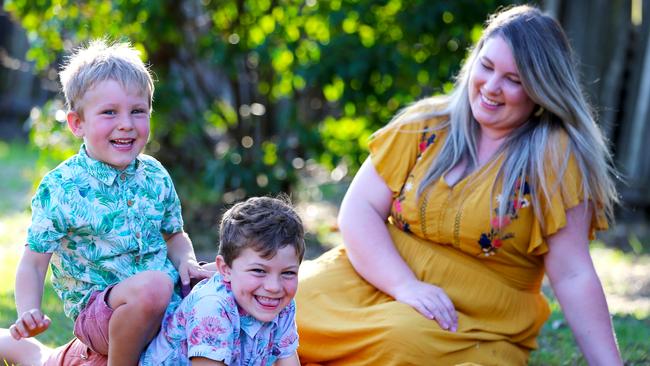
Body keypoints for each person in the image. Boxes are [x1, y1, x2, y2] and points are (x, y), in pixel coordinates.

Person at [295, 5, 623, 365]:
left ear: (541, 90)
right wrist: (405, 286)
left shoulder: (554, 157)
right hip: (376, 277)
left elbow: (573, 273)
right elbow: (359, 210)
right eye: (487, 66)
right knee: (288, 307)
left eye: (514, 80)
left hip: (470, 320)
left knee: (399, 341)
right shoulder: (425, 125)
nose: (492, 87)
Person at [3, 39, 212, 365]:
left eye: (137, 111)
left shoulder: (155, 175)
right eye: (109, 112)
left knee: (232, 280)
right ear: (77, 124)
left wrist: (187, 261)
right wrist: (29, 310)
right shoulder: (62, 187)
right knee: (154, 286)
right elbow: (33, 262)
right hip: (101, 314)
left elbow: (174, 236)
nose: (126, 123)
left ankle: (21, 349)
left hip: (164, 305)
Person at [1, 195, 304, 366]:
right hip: (116, 345)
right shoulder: (214, 308)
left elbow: (286, 359)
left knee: (42, 357)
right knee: (41, 360)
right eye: (259, 271)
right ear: (224, 269)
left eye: (288, 273)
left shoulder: (279, 301)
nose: (274, 286)